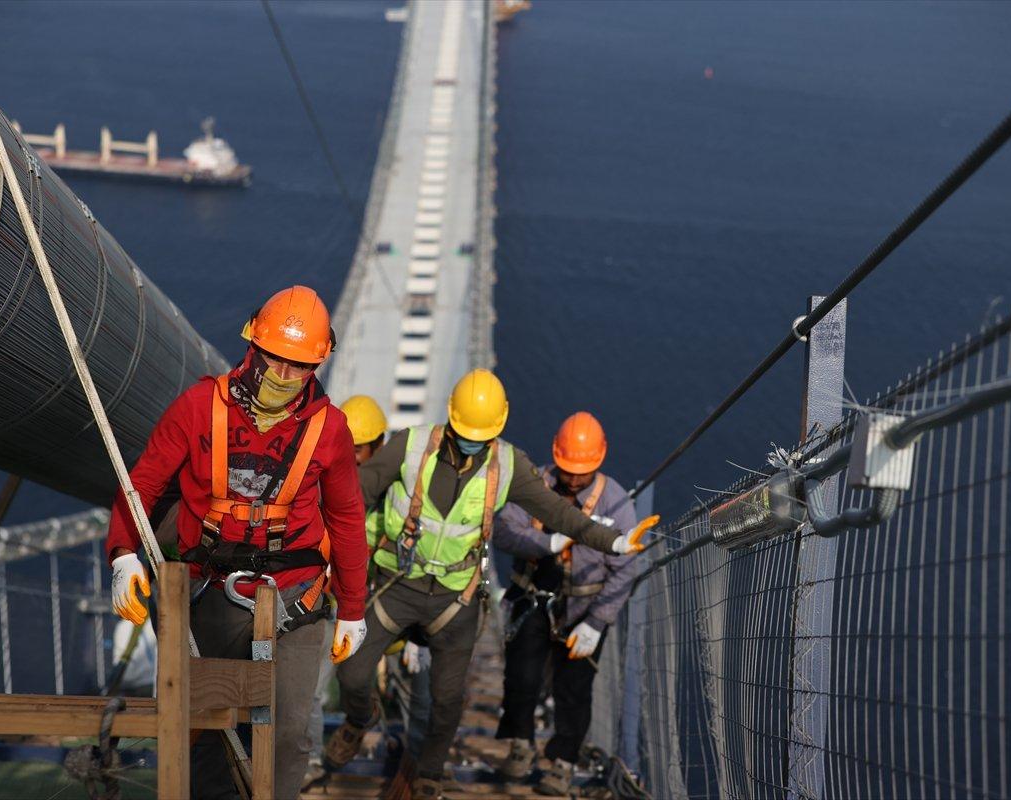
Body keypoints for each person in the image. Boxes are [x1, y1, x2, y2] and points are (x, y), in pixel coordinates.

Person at [322, 369, 656, 799]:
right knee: (352, 672)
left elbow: (559, 513)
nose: (472, 443)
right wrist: (324, 545)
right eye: (465, 434)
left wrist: (613, 542)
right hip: (399, 585)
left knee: (447, 698)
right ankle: (357, 719)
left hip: (455, 598)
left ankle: (430, 771)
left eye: (481, 437)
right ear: (451, 419)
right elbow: (357, 493)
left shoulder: (507, 465)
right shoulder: (412, 445)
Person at [107, 285, 369, 800]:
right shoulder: (198, 406)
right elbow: (145, 483)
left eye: (300, 366)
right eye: (275, 358)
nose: (285, 375)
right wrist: (123, 553)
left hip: (295, 596)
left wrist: (353, 608)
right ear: (253, 345)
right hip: (212, 591)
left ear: (317, 365)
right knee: (208, 729)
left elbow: (346, 518)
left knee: (289, 735)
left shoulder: (330, 429)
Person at [492, 411, 640, 795]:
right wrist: (546, 543)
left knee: (574, 689)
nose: (573, 479)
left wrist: (597, 621)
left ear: (598, 461)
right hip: (533, 598)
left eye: (582, 473)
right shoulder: (534, 485)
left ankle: (563, 762)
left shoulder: (615, 502)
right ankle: (521, 743)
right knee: (521, 677)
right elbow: (503, 532)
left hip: (584, 610)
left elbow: (625, 567)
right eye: (568, 470)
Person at [302, 394, 390, 788]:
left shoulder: (391, 493)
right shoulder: (326, 478)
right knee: (311, 687)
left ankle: (371, 727)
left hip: (378, 602)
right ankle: (307, 760)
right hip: (327, 601)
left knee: (370, 681)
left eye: (359, 449)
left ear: (379, 446)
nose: (351, 457)